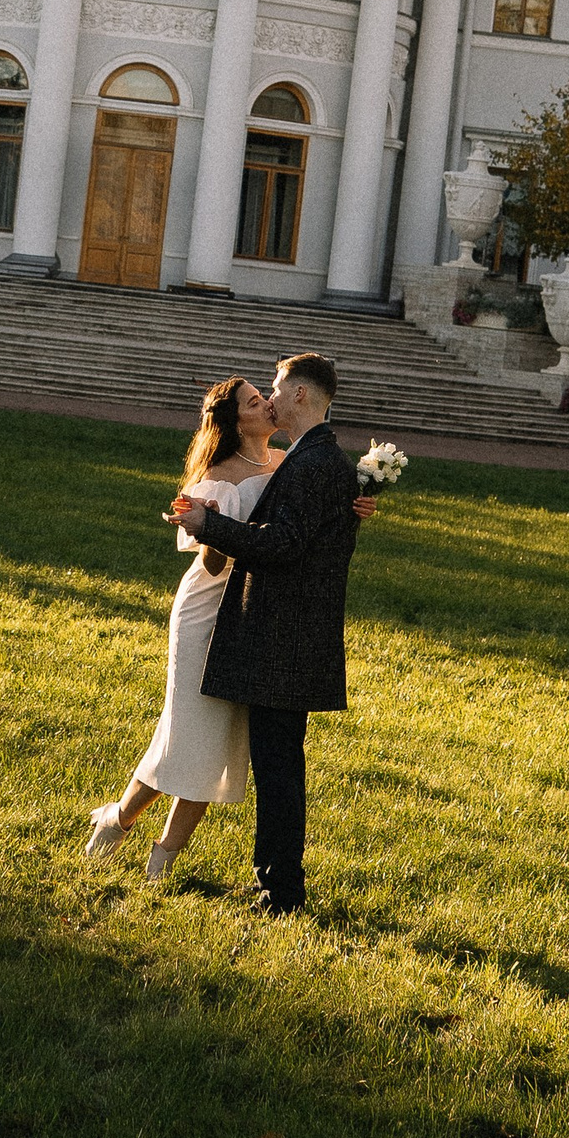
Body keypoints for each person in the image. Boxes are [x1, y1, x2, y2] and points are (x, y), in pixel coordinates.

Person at [173, 352, 359, 918]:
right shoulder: (313, 457)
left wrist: (209, 525)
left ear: (300, 394)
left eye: (276, 389)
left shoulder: (312, 462)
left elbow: (283, 545)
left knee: (278, 773)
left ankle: (280, 894)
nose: (271, 399)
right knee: (280, 769)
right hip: (292, 635)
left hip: (285, 637)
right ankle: (279, 886)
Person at [83, 374, 276, 882]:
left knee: (218, 743)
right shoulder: (214, 479)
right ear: (237, 422)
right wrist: (211, 528)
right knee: (188, 734)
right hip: (206, 613)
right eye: (255, 401)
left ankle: (160, 857)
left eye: (264, 396)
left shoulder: (285, 463)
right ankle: (119, 823)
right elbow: (212, 565)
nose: (267, 403)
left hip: (251, 613)